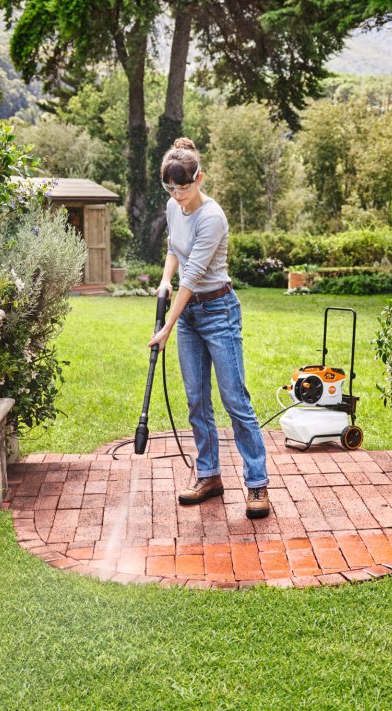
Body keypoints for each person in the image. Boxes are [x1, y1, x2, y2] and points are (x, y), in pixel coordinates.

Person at [147, 137, 271, 519]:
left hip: (218, 311)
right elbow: (174, 251)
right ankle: (209, 475)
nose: (178, 195)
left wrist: (166, 327)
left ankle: (257, 484)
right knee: (197, 399)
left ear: (200, 178)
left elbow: (195, 275)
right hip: (189, 316)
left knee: (235, 400)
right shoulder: (173, 206)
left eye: (184, 187)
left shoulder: (212, 217)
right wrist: (164, 279)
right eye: (171, 188)